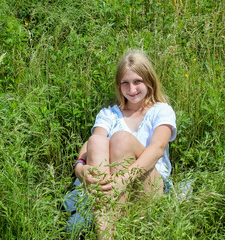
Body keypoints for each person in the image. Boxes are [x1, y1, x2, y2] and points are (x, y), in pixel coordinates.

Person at [73, 50, 177, 238]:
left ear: (149, 81)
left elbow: (157, 149)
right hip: (110, 187)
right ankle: (106, 235)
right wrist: (79, 169)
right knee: (97, 140)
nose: (132, 89)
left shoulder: (161, 110)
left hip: (149, 184)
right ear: (119, 85)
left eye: (137, 81)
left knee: (120, 138)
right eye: (125, 83)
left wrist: (123, 180)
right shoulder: (109, 114)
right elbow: (90, 146)